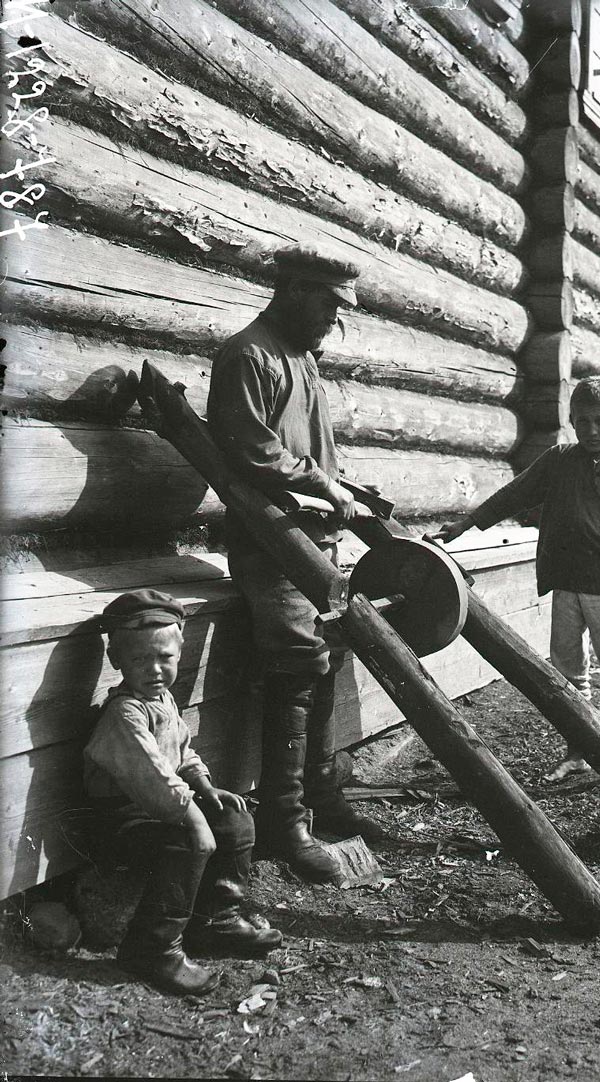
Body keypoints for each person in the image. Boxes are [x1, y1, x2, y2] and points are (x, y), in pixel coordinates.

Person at [206, 246, 383, 885]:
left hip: (314, 540)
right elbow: (251, 451)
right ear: (297, 290)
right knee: (296, 663)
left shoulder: (301, 358)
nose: (335, 321)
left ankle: (323, 796)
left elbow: (311, 454)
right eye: (331, 305)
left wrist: (346, 492)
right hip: (270, 540)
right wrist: (321, 485)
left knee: (329, 653)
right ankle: (286, 824)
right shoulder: (248, 356)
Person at [435, 376, 600, 782]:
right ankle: (578, 753)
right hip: (564, 583)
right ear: (571, 421)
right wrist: (466, 524)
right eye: (583, 421)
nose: (592, 430)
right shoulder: (558, 460)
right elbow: (514, 494)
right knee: (570, 673)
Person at [84, 589, 282, 997]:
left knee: (235, 819)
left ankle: (215, 920)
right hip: (121, 818)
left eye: (165, 658)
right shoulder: (125, 713)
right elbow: (152, 774)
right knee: (186, 842)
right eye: (139, 659)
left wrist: (206, 788)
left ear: (180, 654)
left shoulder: (163, 700)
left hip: (162, 804)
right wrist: (192, 818)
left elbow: (181, 751)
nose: (154, 669)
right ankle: (152, 949)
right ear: (116, 660)